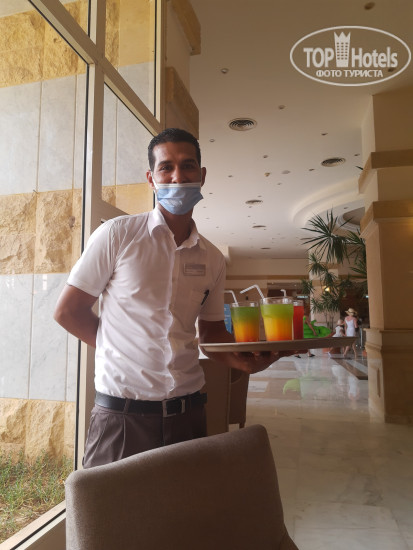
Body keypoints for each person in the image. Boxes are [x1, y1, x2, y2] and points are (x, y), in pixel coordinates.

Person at [54, 128, 289, 468]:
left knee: (186, 503)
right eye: (166, 167)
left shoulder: (212, 259)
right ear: (152, 179)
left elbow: (211, 335)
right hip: (122, 416)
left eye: (188, 165)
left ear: (202, 175)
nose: (178, 176)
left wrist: (246, 362)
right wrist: (119, 348)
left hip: (188, 413)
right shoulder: (118, 235)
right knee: (111, 504)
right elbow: (68, 312)